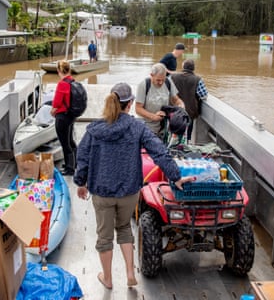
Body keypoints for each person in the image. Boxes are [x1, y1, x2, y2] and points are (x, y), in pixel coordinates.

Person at [73, 83, 194, 290]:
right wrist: (176, 177)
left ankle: (108, 278)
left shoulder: (94, 129)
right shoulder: (138, 127)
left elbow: (82, 157)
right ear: (130, 104)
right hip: (129, 191)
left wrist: (80, 182)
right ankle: (130, 273)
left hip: (102, 191)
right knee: (124, 228)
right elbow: (159, 152)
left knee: (104, 236)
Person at [135, 63, 185, 138]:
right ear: (151, 75)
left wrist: (181, 105)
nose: (161, 83)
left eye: (163, 79)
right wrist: (153, 117)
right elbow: (138, 109)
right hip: (147, 127)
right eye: (158, 80)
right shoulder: (144, 85)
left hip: (163, 128)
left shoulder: (168, 82)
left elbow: (176, 99)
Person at [171, 59, 208, 142]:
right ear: (193, 69)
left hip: (174, 110)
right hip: (190, 111)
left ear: (183, 67)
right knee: (188, 132)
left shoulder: (173, 77)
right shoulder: (198, 79)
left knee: (173, 131)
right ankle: (186, 143)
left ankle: (172, 146)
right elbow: (204, 95)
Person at [50, 60, 77, 175]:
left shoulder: (62, 84)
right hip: (71, 115)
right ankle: (76, 163)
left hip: (62, 117)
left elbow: (56, 103)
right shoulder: (73, 81)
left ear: (59, 71)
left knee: (65, 144)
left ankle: (69, 168)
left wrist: (52, 111)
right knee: (70, 141)